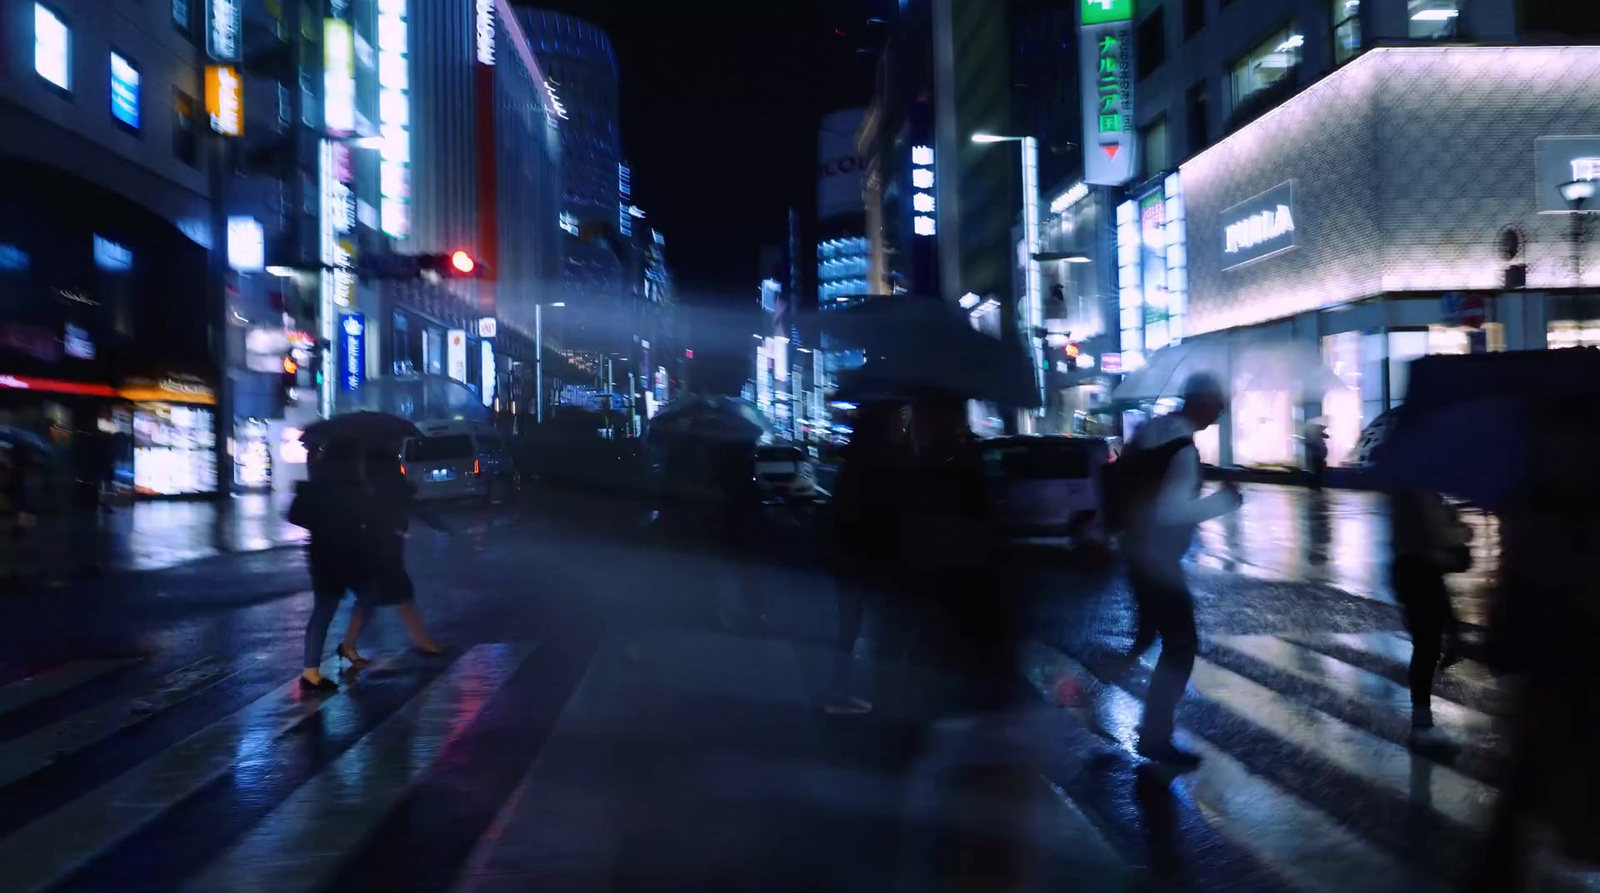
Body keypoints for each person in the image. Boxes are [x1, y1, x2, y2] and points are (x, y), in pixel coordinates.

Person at [1120, 372, 1242, 770]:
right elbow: (1170, 511)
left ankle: (1127, 695)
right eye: (1218, 405)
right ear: (1199, 402)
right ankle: (1155, 736)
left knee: (1155, 636)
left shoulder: (1151, 430)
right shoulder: (1183, 450)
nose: (1220, 414)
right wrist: (1220, 503)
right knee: (1181, 644)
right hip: (1157, 558)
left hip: (1134, 549)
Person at [825, 400, 908, 715]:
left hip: (850, 558)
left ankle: (842, 692)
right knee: (884, 629)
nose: (901, 428)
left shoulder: (856, 462)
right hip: (871, 558)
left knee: (851, 627)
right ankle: (883, 698)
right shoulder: (880, 465)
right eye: (897, 422)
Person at [337, 448, 444, 661]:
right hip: (382, 547)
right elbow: (408, 505)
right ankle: (424, 642)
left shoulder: (367, 482)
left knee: (372, 598)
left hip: (380, 544)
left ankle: (348, 645)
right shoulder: (382, 482)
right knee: (397, 595)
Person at [288, 441, 379, 691]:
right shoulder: (349, 486)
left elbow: (295, 515)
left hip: (326, 554)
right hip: (343, 554)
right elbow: (365, 515)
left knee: (329, 608)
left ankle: (321, 664)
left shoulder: (319, 483)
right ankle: (313, 670)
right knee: (343, 603)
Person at [1387, 488, 1466, 752]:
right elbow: (1436, 534)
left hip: (1412, 571)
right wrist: (1459, 529)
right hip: (1421, 573)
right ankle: (1421, 726)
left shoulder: (1409, 491)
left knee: (1428, 646)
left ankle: (1422, 723)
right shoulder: (1419, 493)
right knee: (1427, 648)